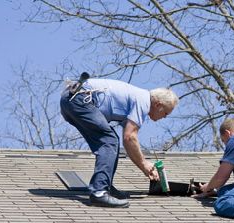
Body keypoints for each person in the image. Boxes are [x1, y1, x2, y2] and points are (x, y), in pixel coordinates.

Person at [60, 77, 178, 208]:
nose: (165, 117)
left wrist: (144, 166)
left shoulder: (136, 97)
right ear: (158, 105)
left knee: (111, 141)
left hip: (70, 99)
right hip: (80, 99)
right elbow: (130, 137)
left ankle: (106, 187)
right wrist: (144, 163)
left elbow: (128, 142)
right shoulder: (143, 101)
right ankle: (99, 192)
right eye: (166, 113)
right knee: (109, 141)